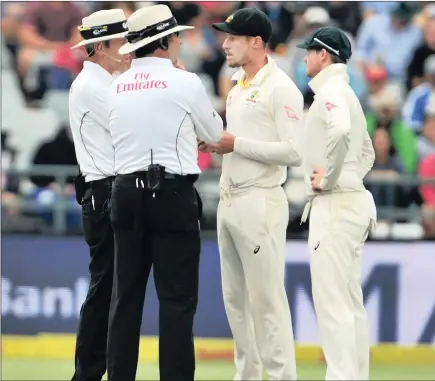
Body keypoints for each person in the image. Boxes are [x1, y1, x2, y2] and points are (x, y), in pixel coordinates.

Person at [106, 5, 224, 381]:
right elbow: (215, 134)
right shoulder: (185, 82)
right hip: (171, 193)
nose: (179, 41)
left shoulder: (116, 85)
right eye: (176, 36)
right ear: (165, 41)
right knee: (176, 302)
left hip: (124, 191)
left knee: (125, 300)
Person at [208, 8, 303, 380]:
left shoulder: (281, 87)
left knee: (267, 301)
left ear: (257, 42)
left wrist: (237, 144)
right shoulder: (237, 85)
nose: (225, 44)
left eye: (232, 38)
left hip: (261, 201)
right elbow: (238, 144)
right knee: (235, 301)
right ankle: (246, 375)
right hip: (230, 199)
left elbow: (294, 151)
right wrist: (220, 143)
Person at [297, 26, 377, 380]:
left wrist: (329, 177)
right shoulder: (346, 92)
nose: (303, 58)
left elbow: (342, 131)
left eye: (308, 52)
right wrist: (349, 176)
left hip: (335, 203)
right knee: (349, 303)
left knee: (333, 305)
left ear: (323, 55)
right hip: (353, 200)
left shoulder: (330, 90)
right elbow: (367, 152)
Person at [68, 9, 130, 381]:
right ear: (100, 46)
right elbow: (130, 126)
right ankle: (87, 374)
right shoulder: (93, 86)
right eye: (121, 42)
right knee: (105, 290)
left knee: (109, 291)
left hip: (106, 192)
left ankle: (93, 372)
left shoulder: (104, 82)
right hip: (104, 192)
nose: (127, 49)